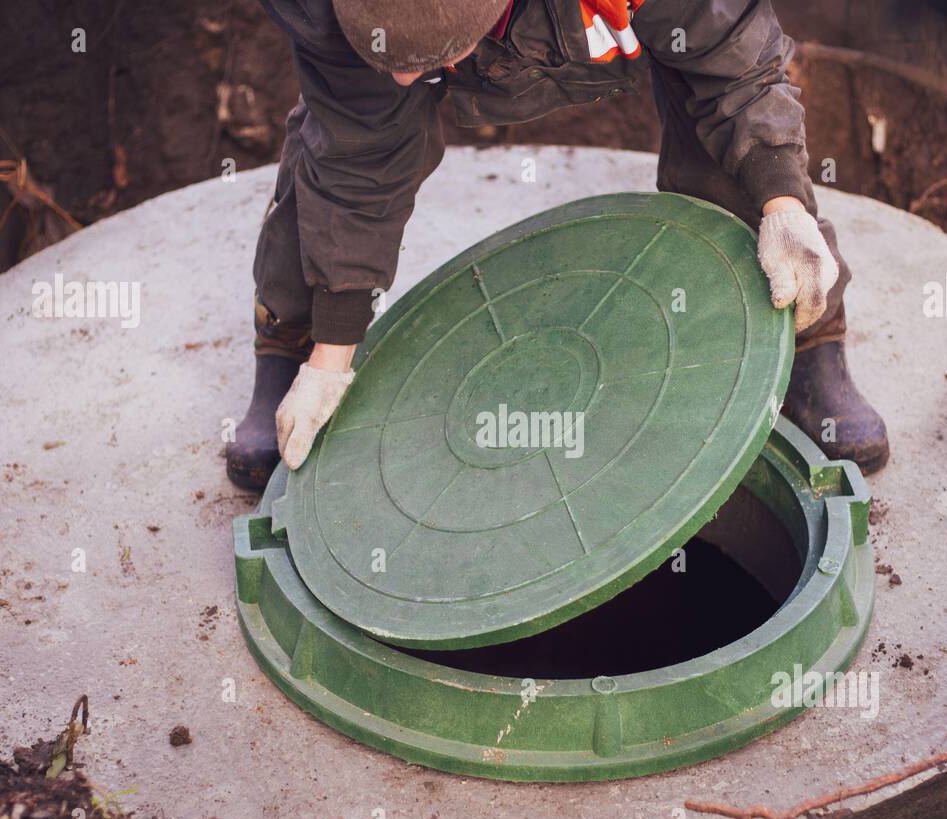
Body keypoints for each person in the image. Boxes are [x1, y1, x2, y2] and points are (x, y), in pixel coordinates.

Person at [226, 0, 890, 490]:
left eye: (422, 63)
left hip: (605, 26)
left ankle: (807, 341)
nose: (404, 83)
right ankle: (290, 341)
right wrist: (332, 354)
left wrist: (783, 203)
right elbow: (360, 170)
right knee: (333, 151)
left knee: (724, 129)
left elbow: (738, 72)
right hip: (441, 42)